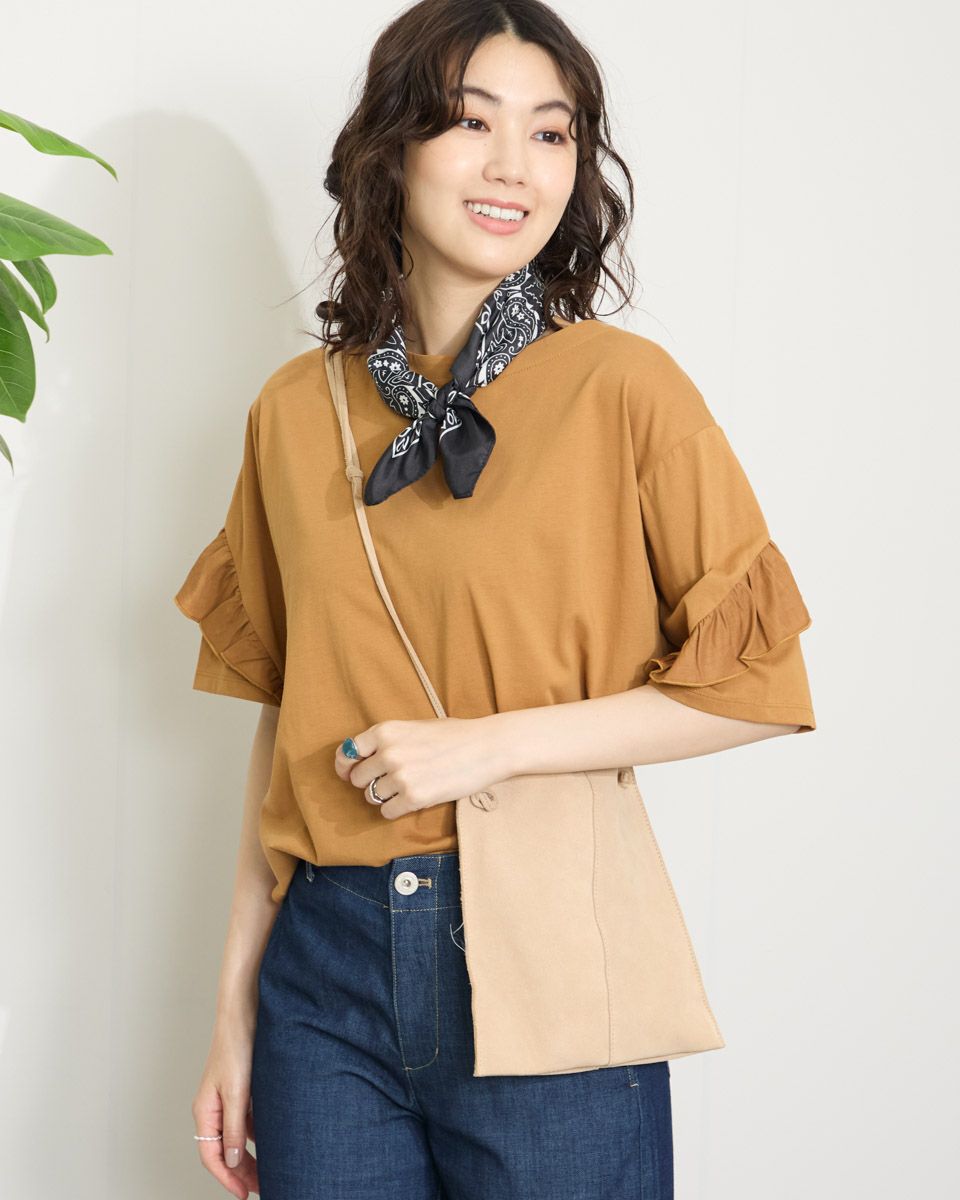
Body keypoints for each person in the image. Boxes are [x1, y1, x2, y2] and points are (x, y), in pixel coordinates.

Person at [173, 2, 817, 1197]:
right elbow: (284, 726)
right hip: (323, 977)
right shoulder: (293, 411)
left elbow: (753, 689)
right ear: (392, 146)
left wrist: (488, 747)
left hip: (550, 943)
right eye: (472, 123)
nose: (516, 166)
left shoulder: (625, 389)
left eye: (552, 133)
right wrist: (232, 1012)